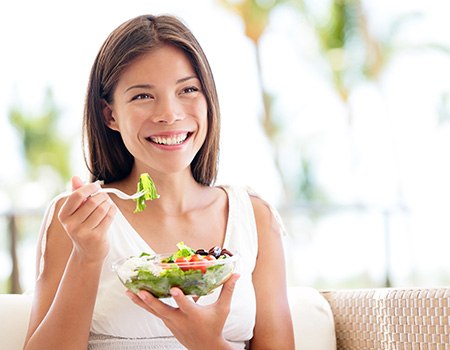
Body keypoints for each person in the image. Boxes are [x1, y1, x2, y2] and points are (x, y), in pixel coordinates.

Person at [23, 14, 294, 350]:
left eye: (188, 90)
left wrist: (207, 343)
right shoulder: (77, 219)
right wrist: (87, 256)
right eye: (143, 96)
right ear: (110, 115)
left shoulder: (254, 217)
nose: (169, 113)